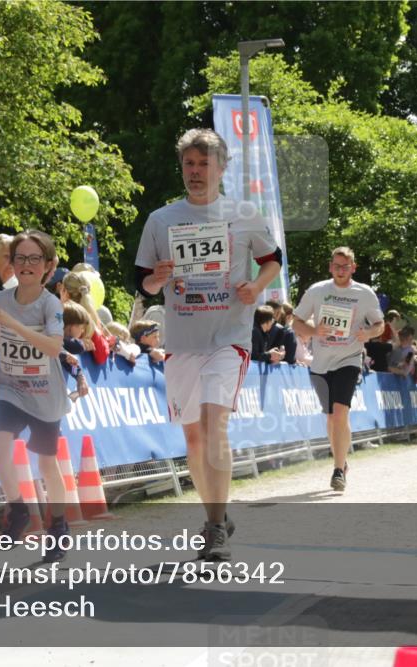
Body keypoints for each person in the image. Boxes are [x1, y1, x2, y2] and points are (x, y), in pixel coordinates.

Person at [135, 128, 282, 561]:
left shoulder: (244, 213)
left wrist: (256, 286)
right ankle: (215, 513)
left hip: (228, 337)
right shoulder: (161, 219)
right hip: (182, 338)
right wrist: (156, 279)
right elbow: (140, 280)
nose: (195, 172)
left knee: (215, 423)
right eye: (189, 164)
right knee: (194, 439)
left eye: (204, 164)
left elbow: (272, 260)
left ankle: (215, 528)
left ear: (221, 168)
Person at [0, 229, 71, 563]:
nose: (27, 264)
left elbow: (53, 346)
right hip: (11, 387)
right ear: (12, 263)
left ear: (47, 265)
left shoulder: (51, 304)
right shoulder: (1, 300)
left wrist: (16, 326)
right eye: (20, 258)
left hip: (45, 393)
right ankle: (18, 510)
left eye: (35, 258)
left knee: (48, 464)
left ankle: (58, 524)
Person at [292, 247, 384, 491]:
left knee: (341, 412)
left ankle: (337, 469)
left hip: (349, 358)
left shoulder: (364, 293)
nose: (341, 270)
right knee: (332, 418)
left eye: (346, 266)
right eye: (337, 266)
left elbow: (380, 324)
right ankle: (342, 462)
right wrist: (314, 331)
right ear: (330, 266)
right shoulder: (317, 291)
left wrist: (369, 333)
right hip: (320, 362)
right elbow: (296, 321)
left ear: (353, 267)